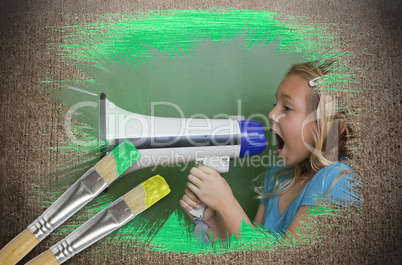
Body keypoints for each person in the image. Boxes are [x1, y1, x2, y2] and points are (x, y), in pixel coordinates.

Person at [180, 61, 356, 242]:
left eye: (287, 107)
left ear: (331, 127)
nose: (271, 114)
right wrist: (212, 221)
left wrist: (227, 204)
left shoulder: (338, 183)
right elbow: (250, 250)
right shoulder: (277, 177)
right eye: (275, 104)